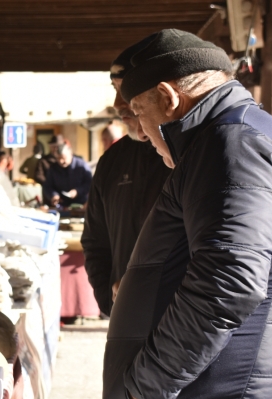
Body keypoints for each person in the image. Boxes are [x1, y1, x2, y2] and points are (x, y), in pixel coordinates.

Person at [102, 29, 272, 399]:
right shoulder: (241, 136)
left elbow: (229, 282)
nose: (142, 133)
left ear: (168, 97)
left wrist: (145, 390)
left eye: (139, 113)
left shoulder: (232, 144)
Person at [81, 47, 171, 320]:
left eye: (127, 90)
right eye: (115, 89)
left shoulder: (188, 158)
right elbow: (95, 242)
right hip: (126, 319)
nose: (119, 103)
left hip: (181, 321)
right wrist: (109, 299)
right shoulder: (112, 161)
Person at [43, 139, 92, 207]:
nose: (61, 161)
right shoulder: (53, 168)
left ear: (70, 154)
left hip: (81, 204)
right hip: (61, 204)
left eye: (63, 158)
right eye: (58, 158)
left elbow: (90, 183)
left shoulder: (81, 165)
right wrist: (53, 195)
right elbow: (47, 186)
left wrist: (77, 191)